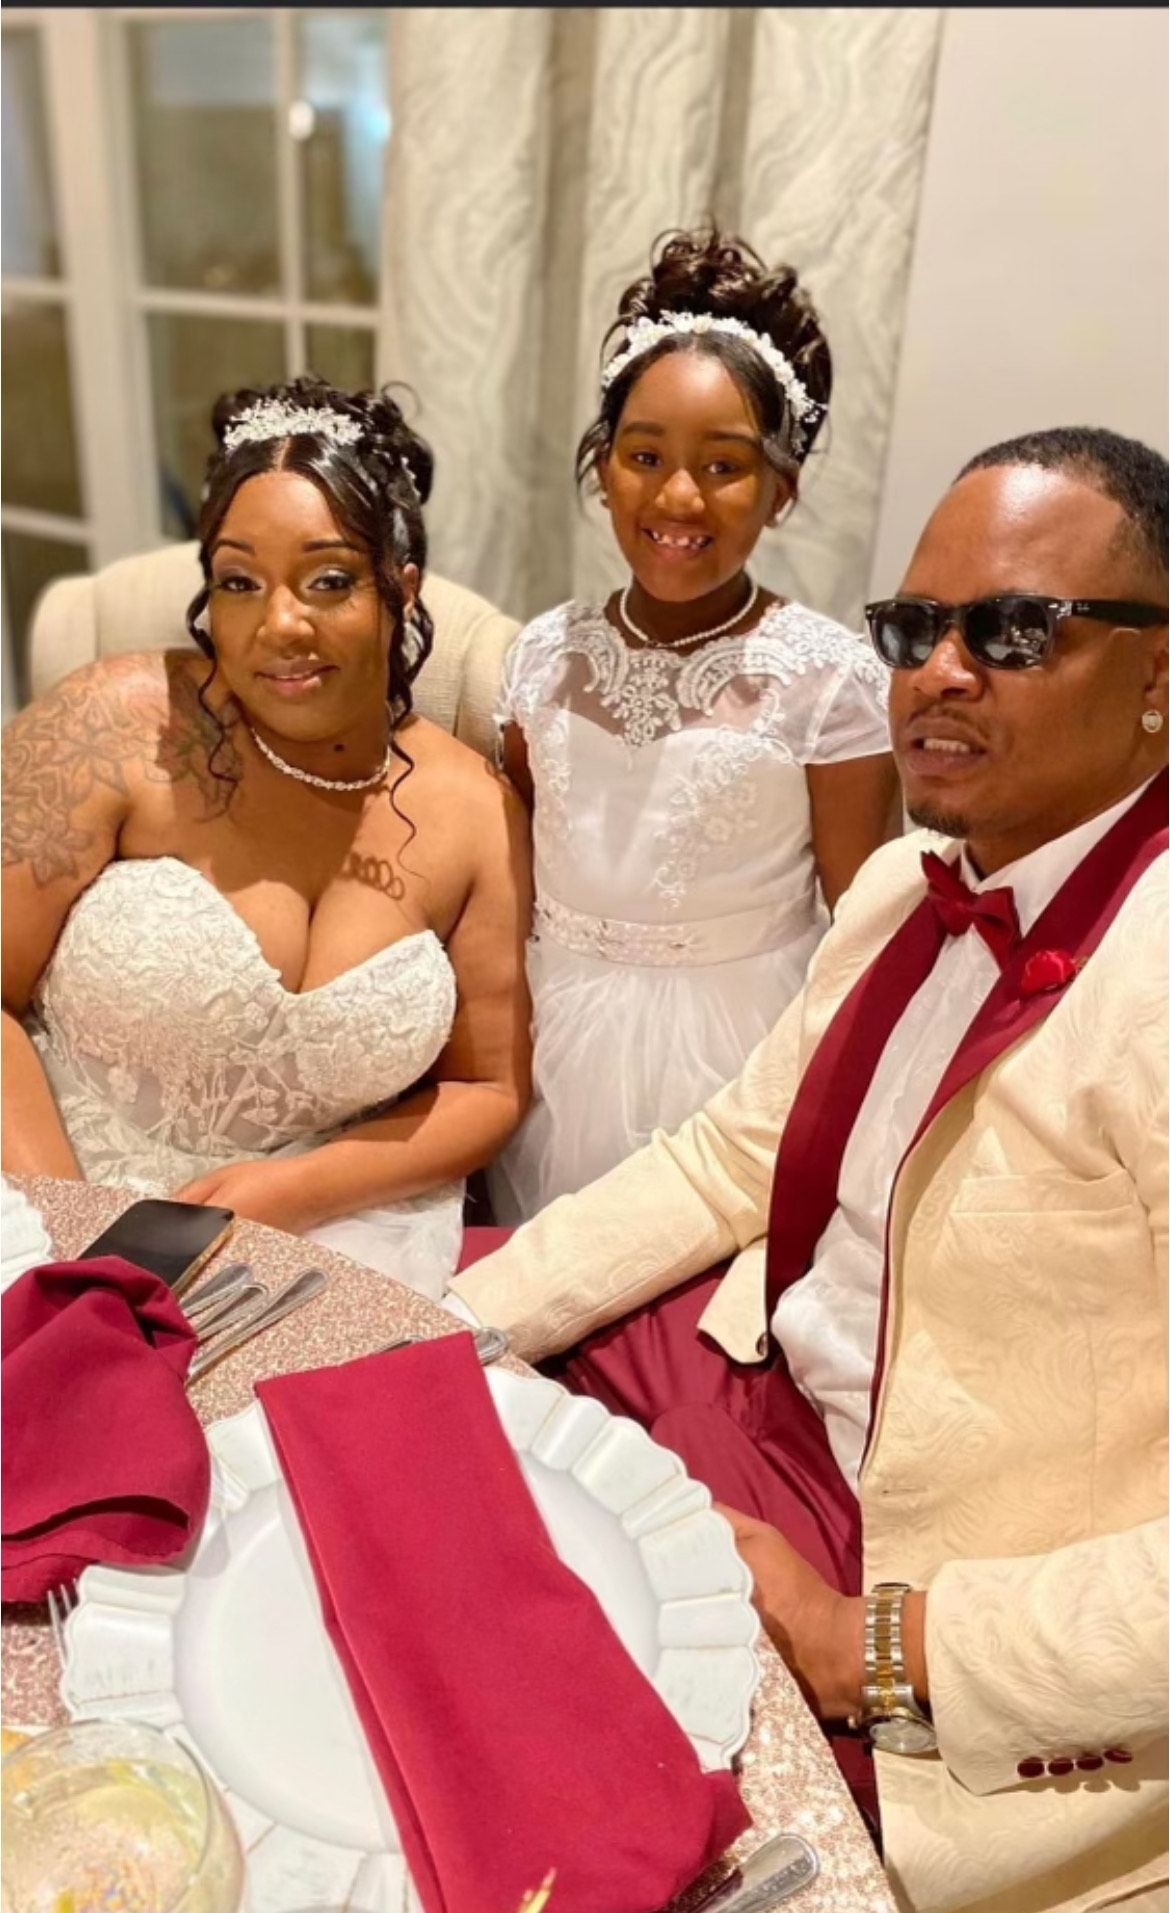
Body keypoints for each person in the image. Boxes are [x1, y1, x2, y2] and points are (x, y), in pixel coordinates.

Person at [452, 426, 1169, 1910]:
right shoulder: (907, 889)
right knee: (397, 1490)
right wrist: (464, 1326)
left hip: (923, 1589)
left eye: (1014, 630)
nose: (938, 672)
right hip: (751, 1396)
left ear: (1158, 677)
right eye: (913, 629)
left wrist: (873, 1646)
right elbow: (731, 1157)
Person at [2, 377, 533, 1297]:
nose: (279, 625)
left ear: (399, 591)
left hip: (324, 1235)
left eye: (328, 581)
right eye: (240, 582)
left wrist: (292, 1190)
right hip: (41, 1202)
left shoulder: (475, 808)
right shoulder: (118, 726)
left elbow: (487, 1089)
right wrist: (67, 1240)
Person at [488, 230, 898, 1222]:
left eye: (723, 466)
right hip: (558, 1036)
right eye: (644, 457)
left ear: (780, 490)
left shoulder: (830, 681)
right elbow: (519, 870)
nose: (678, 496)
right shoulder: (544, 655)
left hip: (735, 1053)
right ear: (603, 468)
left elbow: (863, 925)